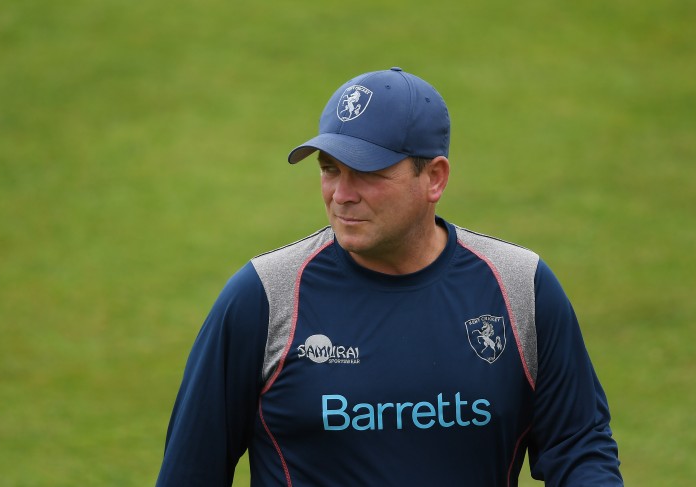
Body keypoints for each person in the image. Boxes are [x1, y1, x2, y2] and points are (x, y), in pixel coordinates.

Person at [155, 67, 623, 486]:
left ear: (434, 178)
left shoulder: (520, 288)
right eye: (329, 170)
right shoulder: (264, 297)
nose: (341, 195)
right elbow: (192, 472)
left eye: (367, 173)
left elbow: (578, 447)